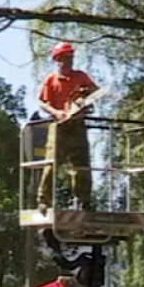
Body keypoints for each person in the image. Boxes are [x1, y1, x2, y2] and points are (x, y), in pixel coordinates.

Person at [35, 42, 99, 210]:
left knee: (82, 165)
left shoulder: (80, 76)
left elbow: (95, 92)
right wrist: (57, 113)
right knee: (52, 164)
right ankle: (44, 200)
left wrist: (85, 99)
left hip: (78, 125)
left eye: (71, 57)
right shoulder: (51, 80)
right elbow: (42, 102)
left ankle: (84, 201)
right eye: (66, 58)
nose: (70, 61)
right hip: (59, 127)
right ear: (58, 59)